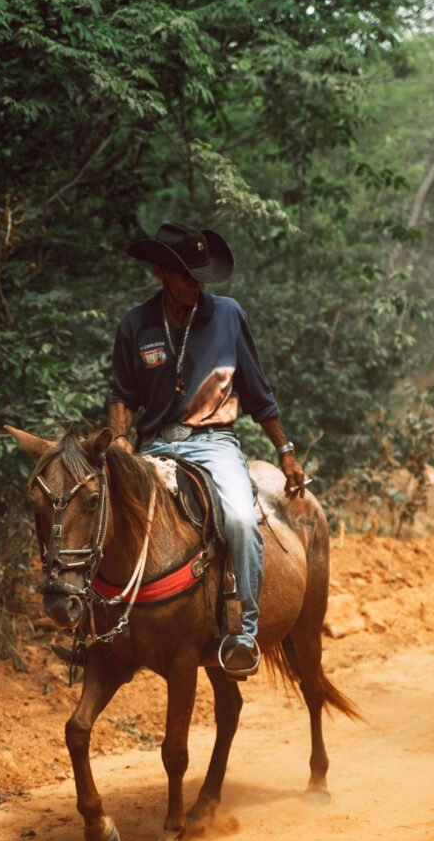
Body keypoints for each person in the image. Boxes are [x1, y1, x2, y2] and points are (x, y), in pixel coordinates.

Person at [108, 221, 306, 677]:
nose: (195, 286)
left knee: (238, 518)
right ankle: (98, 625)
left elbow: (257, 390)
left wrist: (285, 450)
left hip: (213, 442)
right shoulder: (136, 325)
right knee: (108, 513)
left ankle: (244, 633)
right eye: (185, 277)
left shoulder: (228, 315)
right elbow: (122, 394)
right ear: (160, 272)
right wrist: (119, 439)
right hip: (154, 444)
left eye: (200, 278)